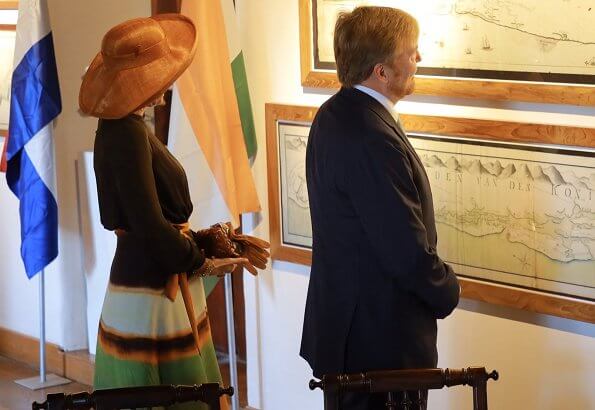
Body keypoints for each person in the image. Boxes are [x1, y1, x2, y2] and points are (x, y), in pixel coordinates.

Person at [79, 14, 269, 410]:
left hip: (148, 278)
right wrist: (200, 259)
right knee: (168, 394)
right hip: (152, 289)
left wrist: (202, 242)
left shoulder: (122, 127)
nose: (165, 85)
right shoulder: (127, 133)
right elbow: (148, 224)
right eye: (158, 76)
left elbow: (143, 219)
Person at [300, 6, 460, 409]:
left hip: (351, 334)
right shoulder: (371, 134)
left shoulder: (334, 113)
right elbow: (403, 248)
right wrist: (447, 289)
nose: (418, 58)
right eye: (410, 51)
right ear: (381, 71)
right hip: (379, 347)